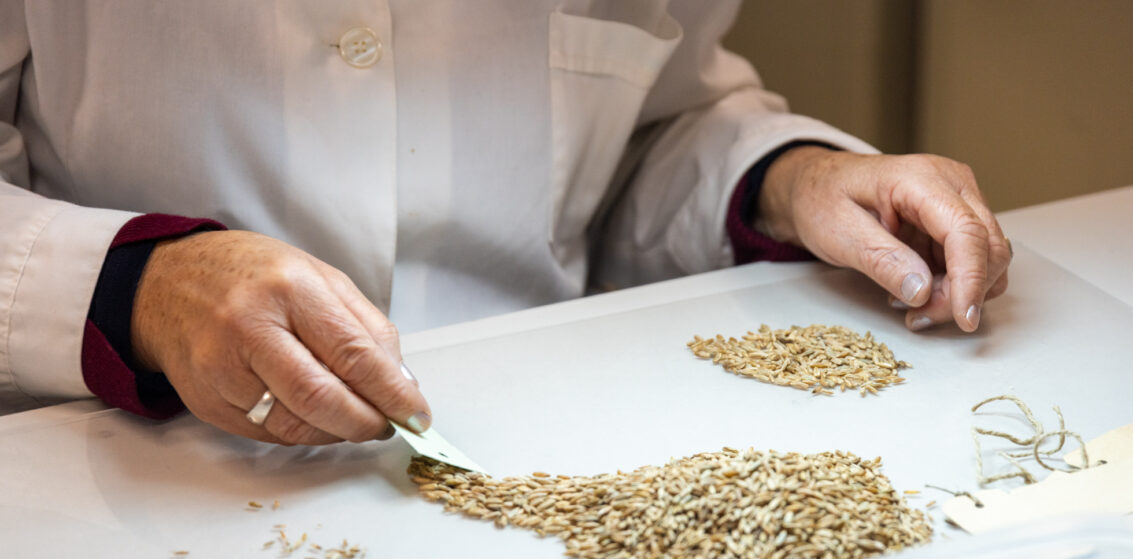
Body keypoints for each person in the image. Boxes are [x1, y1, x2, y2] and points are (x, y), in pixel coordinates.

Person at [0, 2, 1011, 447]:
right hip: (128, 461)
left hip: (551, 439)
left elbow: (638, 135)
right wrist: (137, 287)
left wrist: (791, 176)